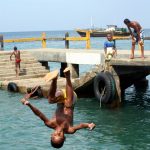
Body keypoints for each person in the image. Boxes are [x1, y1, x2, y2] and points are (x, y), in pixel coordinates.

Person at [21, 67, 95, 148]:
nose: (58, 132)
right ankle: (67, 76)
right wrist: (88, 125)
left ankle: (54, 79)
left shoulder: (50, 124)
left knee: (50, 100)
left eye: (55, 134)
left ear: (52, 134)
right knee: (68, 105)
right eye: (60, 135)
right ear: (64, 138)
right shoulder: (69, 129)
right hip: (72, 97)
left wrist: (29, 105)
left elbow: (39, 114)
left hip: (61, 97)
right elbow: (80, 126)